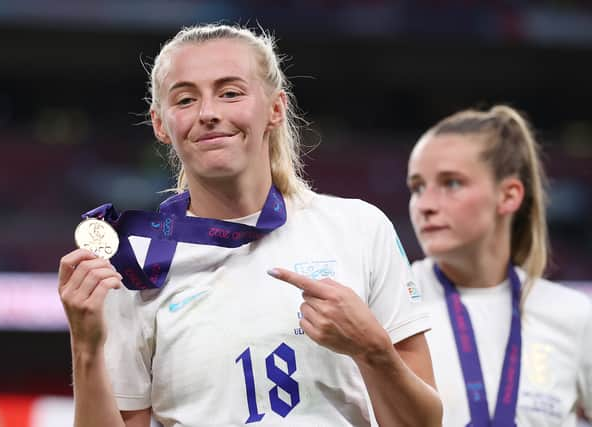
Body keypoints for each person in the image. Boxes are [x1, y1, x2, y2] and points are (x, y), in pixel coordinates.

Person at [58, 23, 442, 427]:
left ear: (276, 108)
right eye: (185, 99)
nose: (208, 113)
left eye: (230, 93)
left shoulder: (359, 228)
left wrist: (372, 350)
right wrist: (85, 347)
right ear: (160, 124)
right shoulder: (137, 266)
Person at [407, 105, 592, 426]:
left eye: (451, 183)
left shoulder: (574, 316)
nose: (425, 205)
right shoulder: (392, 306)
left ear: (508, 196)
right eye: (417, 187)